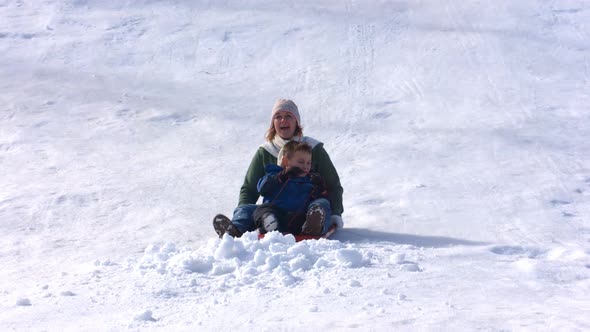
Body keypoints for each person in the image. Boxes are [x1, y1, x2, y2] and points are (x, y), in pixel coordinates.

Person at [213, 98, 344, 237]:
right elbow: (250, 188)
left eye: (288, 116)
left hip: (305, 210)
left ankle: (314, 223)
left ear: (296, 122)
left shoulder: (313, 148)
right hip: (276, 210)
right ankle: (235, 230)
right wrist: (247, 214)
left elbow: (332, 184)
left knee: (321, 204)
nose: (283, 121)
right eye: (278, 117)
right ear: (273, 123)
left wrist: (336, 213)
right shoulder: (266, 152)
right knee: (246, 209)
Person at [253, 141, 331, 236]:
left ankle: (314, 224)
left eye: (308, 163)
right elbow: (262, 188)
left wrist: (320, 188)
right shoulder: (275, 175)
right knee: (260, 209)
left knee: (323, 202)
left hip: (299, 219)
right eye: (301, 162)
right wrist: (280, 177)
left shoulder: (310, 181)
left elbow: (323, 197)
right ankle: (269, 223)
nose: (306, 166)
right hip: (277, 217)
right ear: (286, 161)